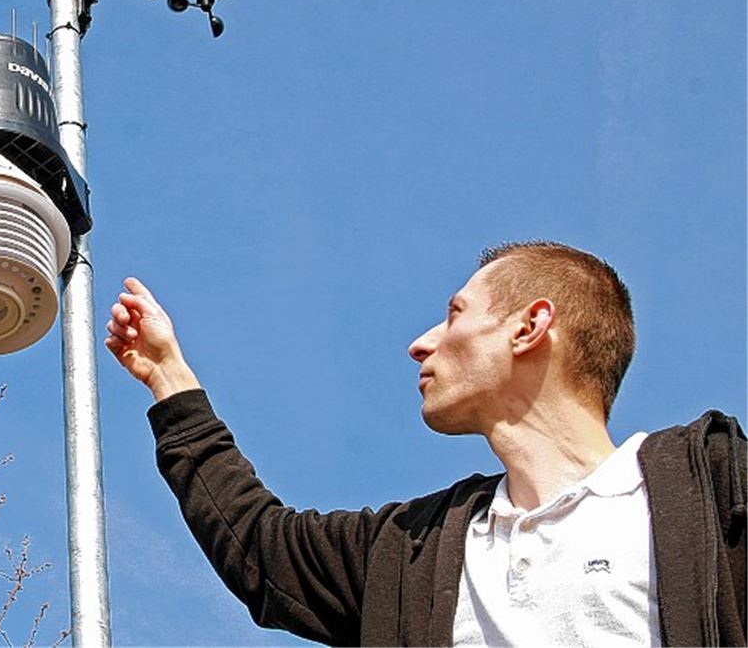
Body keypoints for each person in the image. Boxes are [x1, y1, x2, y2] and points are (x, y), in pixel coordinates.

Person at [104, 240, 745, 647]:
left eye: (457, 313)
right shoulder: (412, 553)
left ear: (531, 326)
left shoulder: (717, 491)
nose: (422, 342)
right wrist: (169, 379)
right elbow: (264, 549)